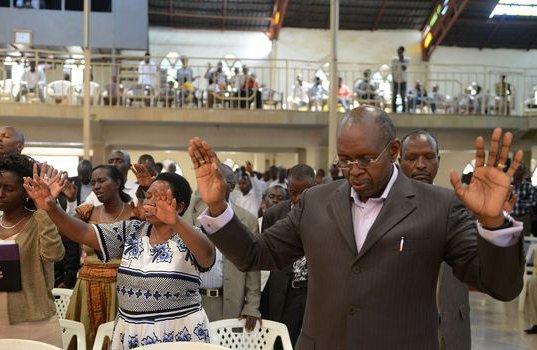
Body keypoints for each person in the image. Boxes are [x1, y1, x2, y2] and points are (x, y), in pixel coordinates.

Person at [188, 105, 524, 350]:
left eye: (365, 159)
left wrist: (493, 222)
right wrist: (218, 206)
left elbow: (499, 286)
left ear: (393, 150)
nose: (354, 170)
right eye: (344, 160)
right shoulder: (315, 203)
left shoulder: (439, 206)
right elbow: (254, 254)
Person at [24, 168, 216, 350]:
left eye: (160, 199)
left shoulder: (192, 237)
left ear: (180, 206)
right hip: (131, 331)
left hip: (177, 332)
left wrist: (175, 221)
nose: (149, 203)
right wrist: (51, 208)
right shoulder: (132, 231)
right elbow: (84, 233)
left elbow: (207, 256)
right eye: (148, 196)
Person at [398, 130, 471, 350]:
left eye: (429, 157)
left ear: (438, 160)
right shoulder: (385, 208)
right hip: (402, 327)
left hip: (451, 323)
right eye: (412, 158)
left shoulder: (457, 206)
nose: (421, 165)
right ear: (399, 161)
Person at [66, 165, 136, 348]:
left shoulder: (135, 212)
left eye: (101, 180)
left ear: (118, 182)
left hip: (122, 287)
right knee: (86, 339)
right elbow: (63, 230)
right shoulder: (88, 212)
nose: (96, 186)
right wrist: (71, 201)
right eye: (93, 182)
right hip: (87, 285)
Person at [185, 164, 261, 331]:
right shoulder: (192, 212)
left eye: (218, 181)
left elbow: (253, 267)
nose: (212, 186)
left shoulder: (247, 220)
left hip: (230, 302)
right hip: (196, 301)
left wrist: (252, 306)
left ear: (232, 186)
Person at [0, 154, 65, 346]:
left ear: (26, 191)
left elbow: (55, 254)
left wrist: (44, 210)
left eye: (9, 189)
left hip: (35, 322)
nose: (0, 193)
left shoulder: (40, 220)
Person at [260, 164, 315, 349]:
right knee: (282, 343)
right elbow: (267, 255)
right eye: (293, 192)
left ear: (314, 187)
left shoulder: (326, 212)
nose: (298, 198)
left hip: (313, 290)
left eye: (305, 192)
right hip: (284, 291)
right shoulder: (273, 214)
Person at [511, 164, 536, 236]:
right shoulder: (509, 185)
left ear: (523, 174)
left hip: (524, 217)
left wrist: (518, 202)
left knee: (524, 238)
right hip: (510, 217)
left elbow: (533, 202)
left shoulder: (528, 186)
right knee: (511, 238)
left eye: (520, 172)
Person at [391, 46, 409, 113]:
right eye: (398, 51)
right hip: (395, 79)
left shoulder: (406, 59)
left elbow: (404, 68)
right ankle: (394, 110)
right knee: (394, 96)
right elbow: (393, 69)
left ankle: (403, 111)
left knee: (403, 96)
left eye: (400, 51)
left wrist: (401, 59)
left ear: (402, 52)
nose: (399, 52)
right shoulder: (394, 59)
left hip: (403, 80)